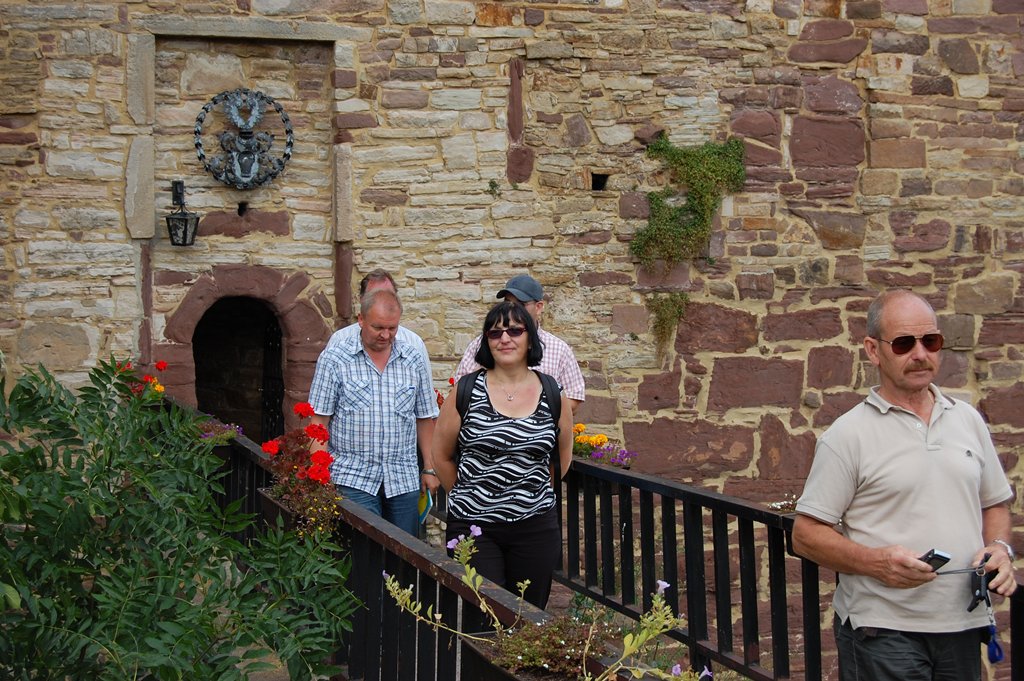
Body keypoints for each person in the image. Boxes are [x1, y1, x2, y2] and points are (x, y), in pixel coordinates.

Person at [791, 289, 1017, 681]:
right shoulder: (847, 435)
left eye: (931, 341)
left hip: (963, 624)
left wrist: (999, 548)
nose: (920, 354)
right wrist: (876, 564)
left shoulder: (967, 420)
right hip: (882, 630)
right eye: (903, 344)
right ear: (873, 350)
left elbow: (994, 504)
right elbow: (805, 534)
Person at [434, 301, 573, 609]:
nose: (505, 339)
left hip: (535, 528)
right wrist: (470, 494)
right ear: (486, 342)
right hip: (474, 527)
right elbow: (440, 455)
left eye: (515, 331)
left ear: (530, 338)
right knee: (485, 614)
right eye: (495, 333)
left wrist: (529, 492)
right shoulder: (466, 391)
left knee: (529, 615)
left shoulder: (552, 392)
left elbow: (562, 457)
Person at [307, 288, 439, 536]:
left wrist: (430, 468)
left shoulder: (413, 359)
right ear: (361, 319)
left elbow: (424, 418)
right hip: (352, 477)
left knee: (405, 553)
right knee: (362, 551)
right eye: (378, 327)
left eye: (392, 328)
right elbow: (319, 421)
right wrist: (319, 477)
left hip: (403, 479)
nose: (385, 335)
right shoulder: (335, 359)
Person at [454, 274, 585, 414]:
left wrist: (534, 416)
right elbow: (459, 390)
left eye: (520, 304)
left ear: (538, 307)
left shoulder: (558, 349)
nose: (512, 308)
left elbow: (574, 397)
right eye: (508, 302)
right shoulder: (483, 343)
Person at [324, 268, 430, 371]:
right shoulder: (339, 341)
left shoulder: (414, 344)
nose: (382, 301)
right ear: (362, 300)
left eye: (388, 296)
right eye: (374, 296)